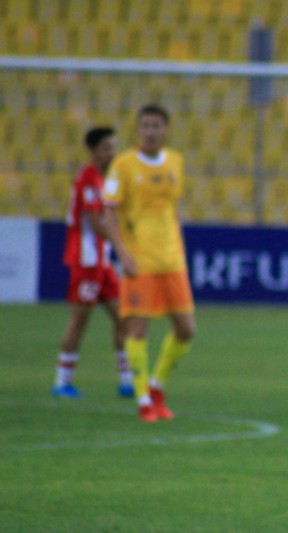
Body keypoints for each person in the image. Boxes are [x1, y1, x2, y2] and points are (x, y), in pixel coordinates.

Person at [102, 103, 196, 423]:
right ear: (138, 129)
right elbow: (109, 214)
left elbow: (173, 210)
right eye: (145, 126)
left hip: (172, 259)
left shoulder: (175, 162)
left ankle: (157, 386)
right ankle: (143, 399)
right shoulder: (123, 165)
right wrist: (123, 254)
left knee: (186, 329)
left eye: (156, 126)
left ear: (166, 129)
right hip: (140, 261)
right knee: (137, 328)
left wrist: (180, 246)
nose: (150, 132)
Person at [52, 127, 134, 399]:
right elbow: (96, 224)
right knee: (80, 320)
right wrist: (125, 245)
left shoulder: (104, 180)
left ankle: (127, 380)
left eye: (115, 147)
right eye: (107, 148)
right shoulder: (88, 179)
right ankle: (62, 381)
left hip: (102, 261)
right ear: (93, 151)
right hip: (86, 260)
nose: (113, 153)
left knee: (124, 317)